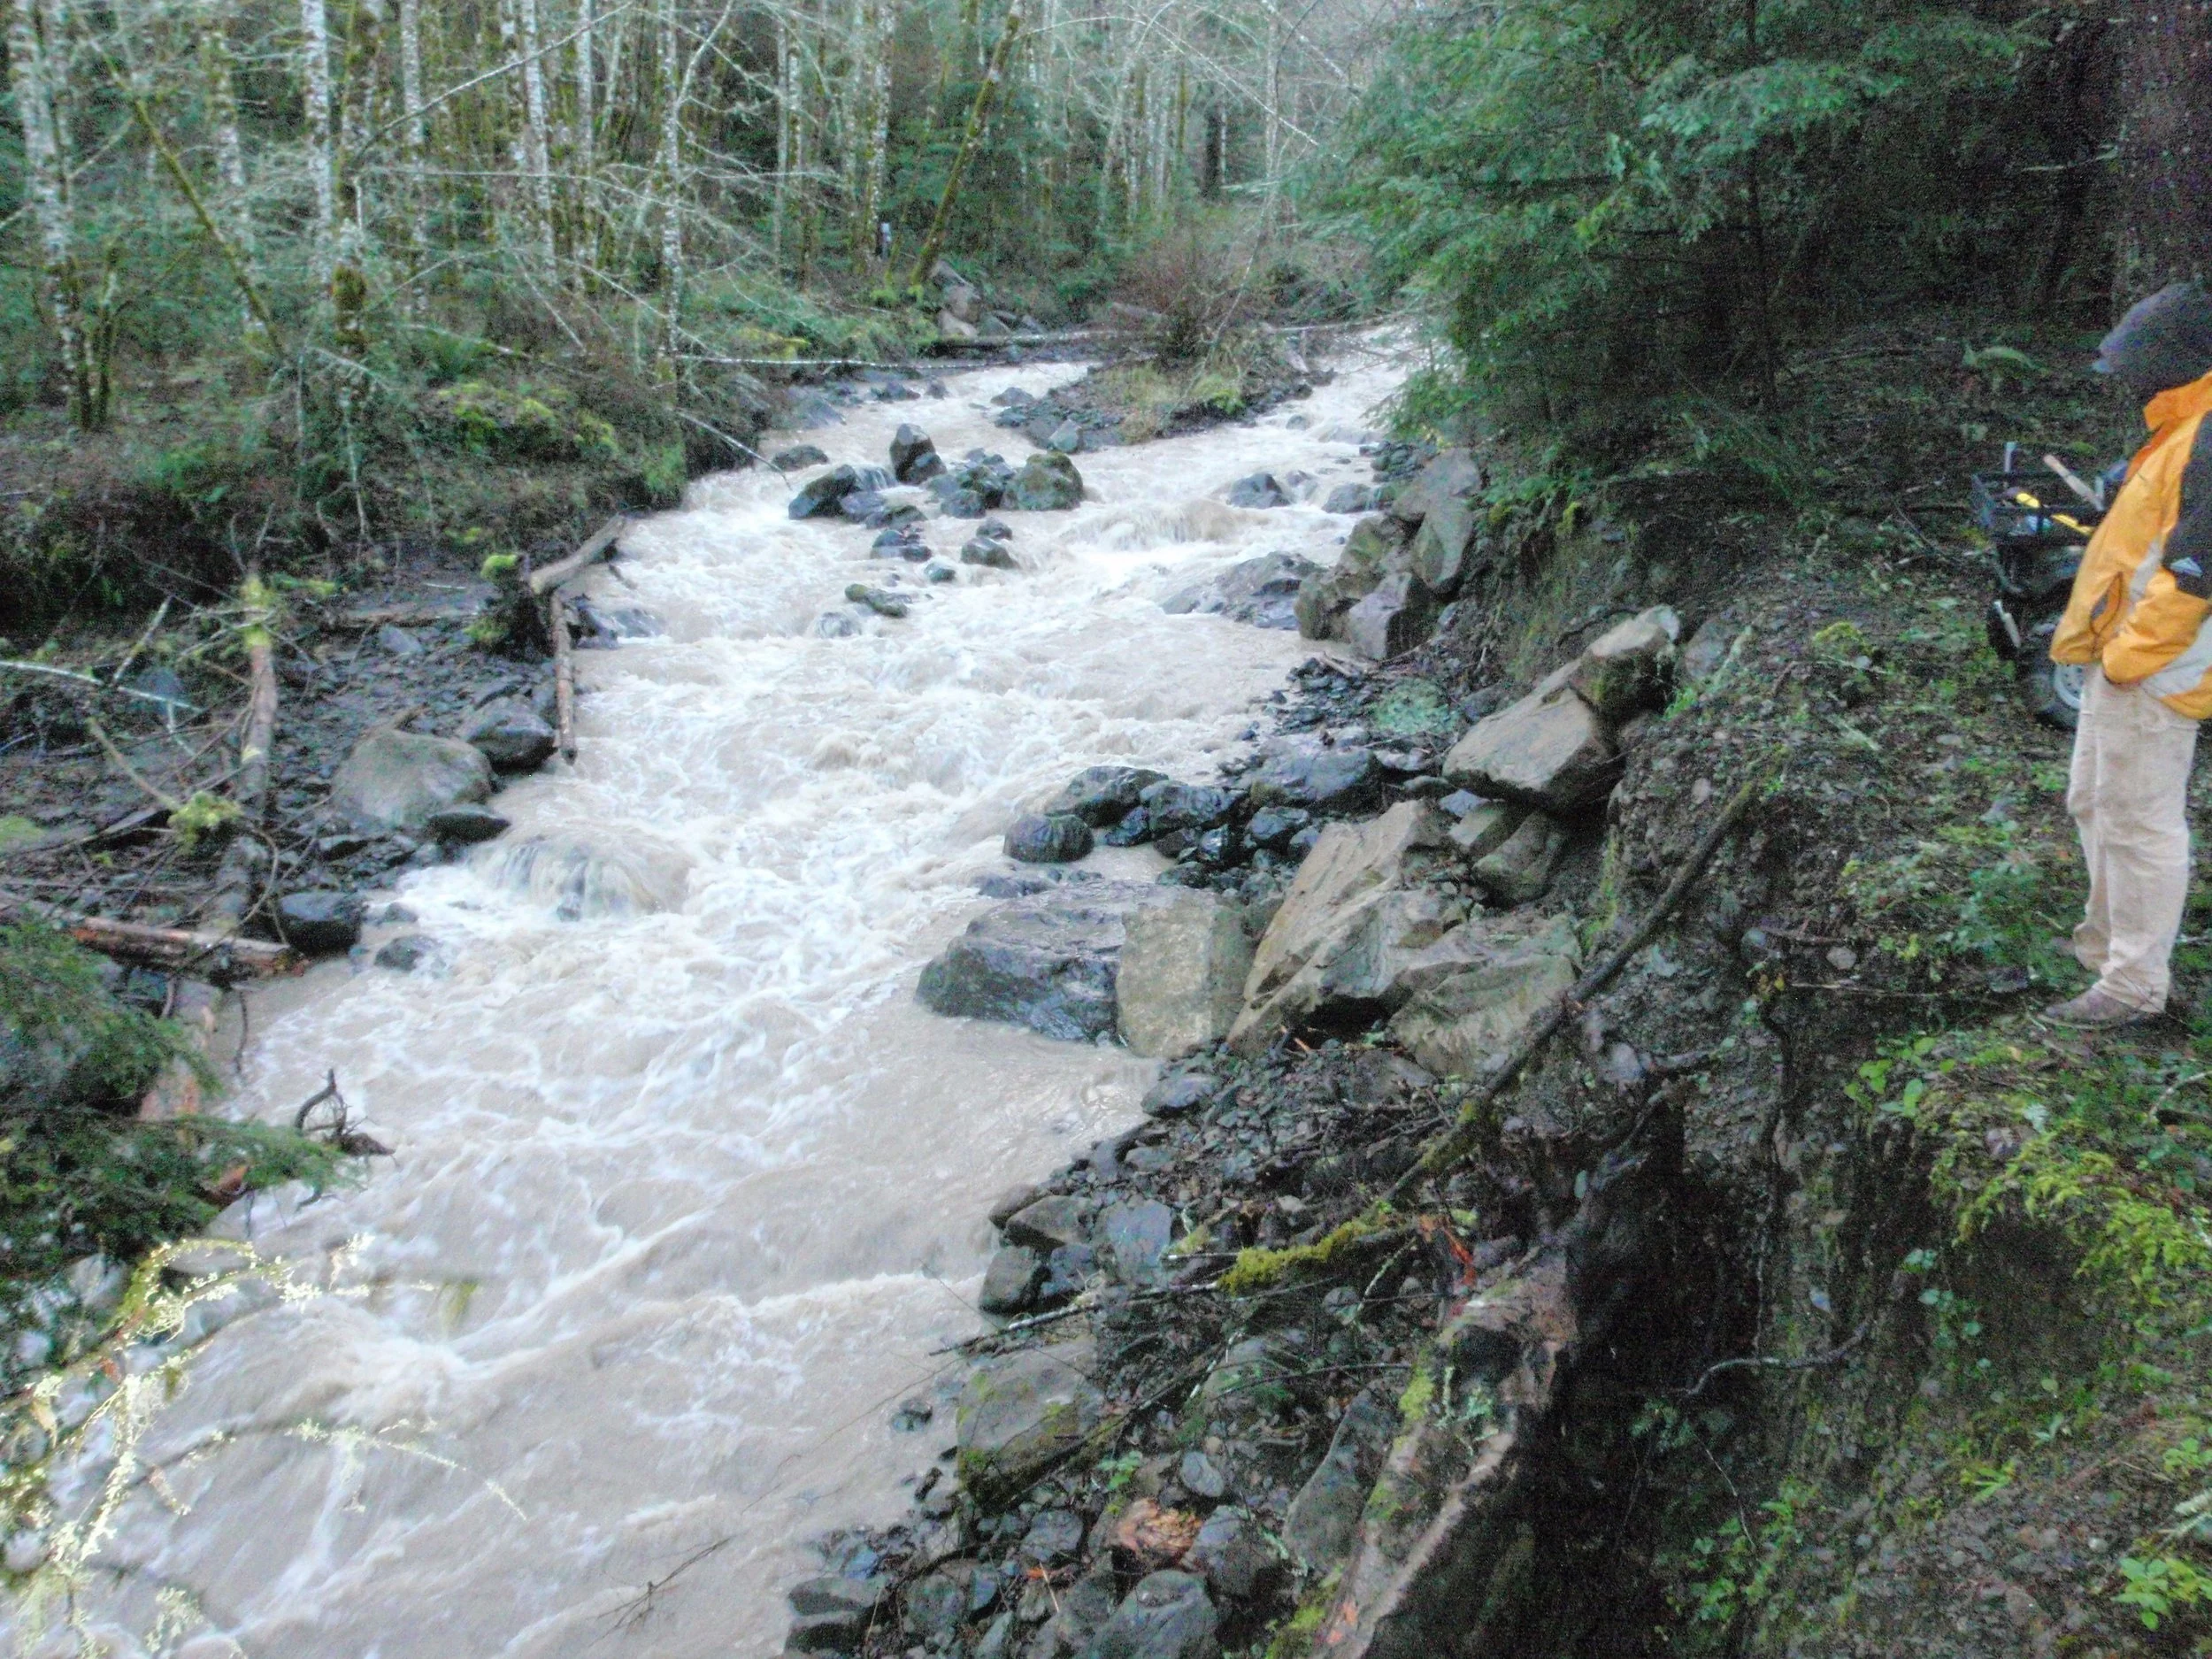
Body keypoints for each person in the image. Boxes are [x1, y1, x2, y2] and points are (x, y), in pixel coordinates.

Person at [2045, 281, 2212, 1027]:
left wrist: (2129, 660)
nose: (2130, 381)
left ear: (2174, 362)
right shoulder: (2179, 426)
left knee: (2140, 822)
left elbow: (2196, 574)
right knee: (2094, 802)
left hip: (2156, 667)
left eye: (2138, 365)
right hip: (2124, 657)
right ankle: (2107, 948)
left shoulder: (2208, 436)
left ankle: (2133, 986)